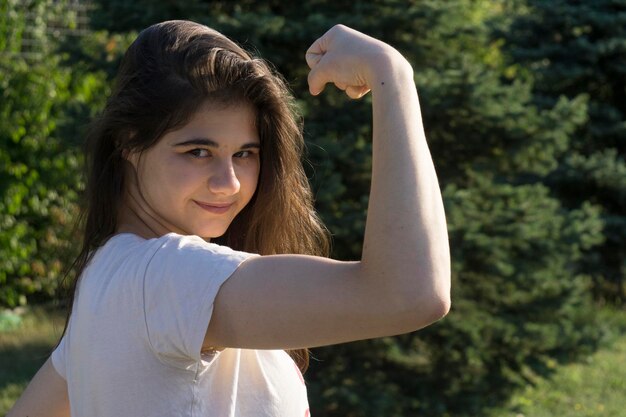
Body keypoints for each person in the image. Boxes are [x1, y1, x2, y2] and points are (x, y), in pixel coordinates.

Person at [8, 20, 451, 417]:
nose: (230, 183)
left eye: (245, 154)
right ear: (128, 142)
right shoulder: (168, 276)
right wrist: (392, 75)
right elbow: (411, 294)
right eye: (197, 152)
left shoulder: (106, 277)